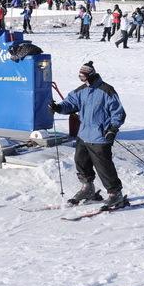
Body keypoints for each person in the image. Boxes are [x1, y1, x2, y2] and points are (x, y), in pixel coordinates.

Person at [51, 62, 128, 209]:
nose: (82, 80)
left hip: (100, 136)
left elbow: (118, 112)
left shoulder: (107, 90)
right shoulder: (81, 91)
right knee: (81, 162)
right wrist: (58, 107)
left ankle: (115, 194)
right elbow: (70, 103)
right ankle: (88, 189)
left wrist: (112, 129)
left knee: (104, 166)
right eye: (80, 77)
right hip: (84, 134)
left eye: (84, 77)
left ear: (91, 75)